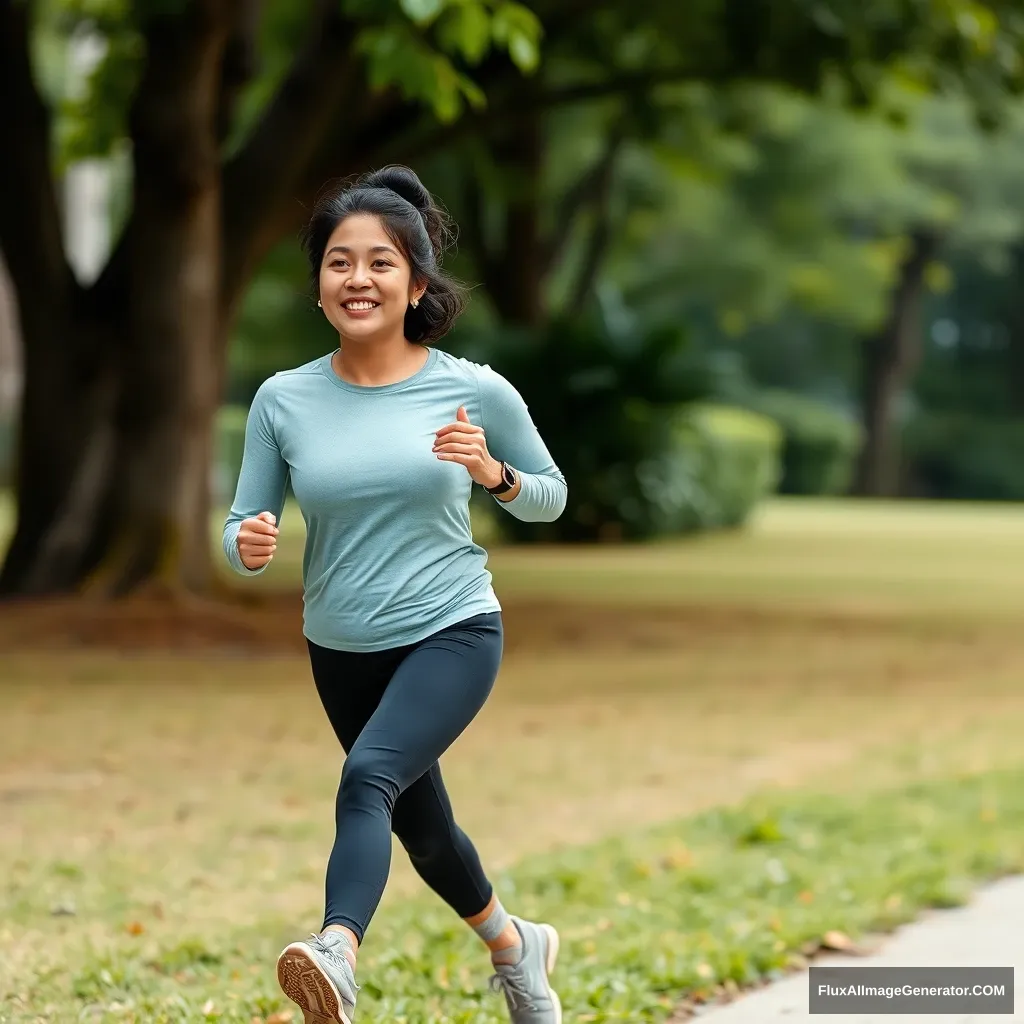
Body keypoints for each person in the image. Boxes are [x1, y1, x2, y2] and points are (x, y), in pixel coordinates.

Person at [222, 165, 568, 1024]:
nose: (358, 279)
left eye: (380, 263)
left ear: (416, 283)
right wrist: (247, 545)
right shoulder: (283, 400)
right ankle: (515, 948)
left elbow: (554, 493)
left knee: (367, 776)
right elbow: (237, 526)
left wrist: (493, 472)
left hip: (452, 628)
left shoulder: (471, 388)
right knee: (424, 830)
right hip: (340, 643)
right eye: (340, 263)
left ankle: (337, 952)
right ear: (318, 287)